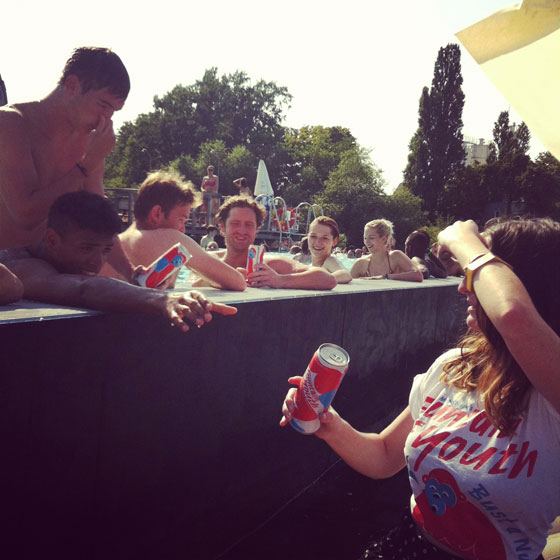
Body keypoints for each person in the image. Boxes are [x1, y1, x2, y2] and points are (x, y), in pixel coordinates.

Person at [281, 217, 560, 560]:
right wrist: (329, 425)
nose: (464, 288)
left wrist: (462, 238)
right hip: (406, 546)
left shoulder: (551, 396)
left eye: (477, 276)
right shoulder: (451, 367)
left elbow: (512, 315)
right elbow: (384, 456)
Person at [0, 191, 237, 333]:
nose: (96, 263)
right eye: (86, 249)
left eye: (106, 250)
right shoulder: (22, 266)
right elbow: (83, 288)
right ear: (52, 240)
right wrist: (162, 299)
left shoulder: (55, 260)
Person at [0, 47, 137, 282]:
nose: (105, 119)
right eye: (103, 106)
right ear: (73, 86)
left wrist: (131, 273)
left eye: (113, 112)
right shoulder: (10, 123)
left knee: (90, 281)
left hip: (40, 257)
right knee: (70, 284)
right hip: (6, 258)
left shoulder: (87, 141)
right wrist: (86, 165)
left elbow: (100, 220)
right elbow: (25, 215)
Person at [100, 170, 245, 291]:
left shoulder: (113, 245)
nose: (183, 229)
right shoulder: (170, 238)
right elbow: (238, 282)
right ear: (157, 213)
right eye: (181, 220)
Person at [191, 196, 337, 290]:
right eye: (235, 223)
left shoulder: (269, 264)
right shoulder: (208, 261)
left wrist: (279, 280)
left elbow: (327, 279)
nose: (242, 230)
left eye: (249, 225)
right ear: (222, 227)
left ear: (257, 229)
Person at [351, 219, 423, 282]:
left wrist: (386, 277)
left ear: (383, 239)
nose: (367, 242)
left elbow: (418, 275)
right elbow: (347, 283)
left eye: (371, 238)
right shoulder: (361, 264)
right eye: (365, 238)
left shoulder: (396, 257)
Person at [306, 216, 351, 284]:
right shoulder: (309, 266)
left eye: (325, 238)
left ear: (335, 241)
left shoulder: (329, 261)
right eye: (313, 236)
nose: (318, 242)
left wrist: (313, 281)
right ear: (307, 237)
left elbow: (345, 274)